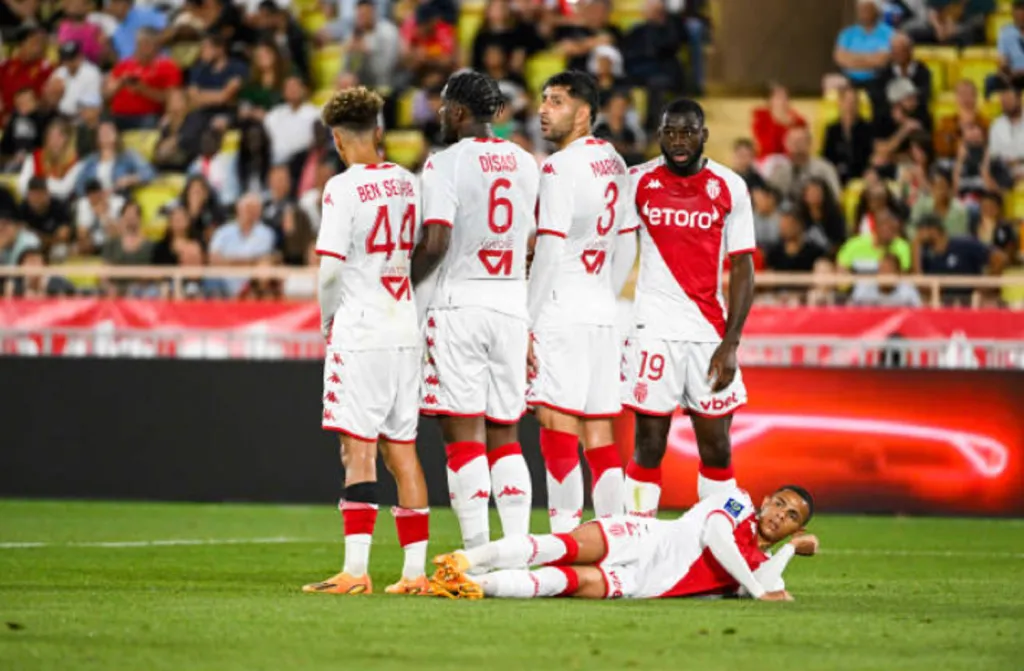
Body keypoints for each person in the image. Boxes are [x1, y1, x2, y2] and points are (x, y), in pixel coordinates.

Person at [301, 87, 431, 597]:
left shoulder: (341, 189)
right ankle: (415, 574)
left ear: (337, 139)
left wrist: (325, 319)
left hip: (361, 331)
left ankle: (356, 571)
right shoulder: (407, 182)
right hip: (405, 328)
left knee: (358, 449)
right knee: (404, 452)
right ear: (378, 132)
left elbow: (331, 270)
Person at [410, 70, 539, 551]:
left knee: (464, 437)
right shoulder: (526, 163)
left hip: (460, 303)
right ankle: (518, 551)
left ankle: (478, 555)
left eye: (444, 105)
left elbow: (436, 241)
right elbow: (529, 241)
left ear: (460, 111)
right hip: (510, 305)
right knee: (507, 435)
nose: (439, 113)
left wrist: (400, 285)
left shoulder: (445, 164)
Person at [620, 99, 756, 516]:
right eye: (670, 133)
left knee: (716, 449)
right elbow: (612, 243)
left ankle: (716, 547)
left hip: (707, 335)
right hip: (653, 332)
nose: (679, 142)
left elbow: (743, 266)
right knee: (649, 446)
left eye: (688, 132)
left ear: (704, 135)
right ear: (659, 134)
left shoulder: (730, 186)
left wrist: (731, 342)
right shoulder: (637, 181)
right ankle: (636, 546)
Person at [527, 71, 634, 532]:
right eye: (543, 100)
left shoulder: (558, 167)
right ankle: (615, 537)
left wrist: (526, 319)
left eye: (556, 101)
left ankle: (565, 540)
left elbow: (549, 248)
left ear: (583, 112)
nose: (543, 110)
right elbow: (627, 244)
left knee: (557, 424)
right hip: (601, 312)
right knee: (599, 432)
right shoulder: (614, 161)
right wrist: (602, 294)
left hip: (561, 309)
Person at [430, 484, 818, 601]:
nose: (778, 515)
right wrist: (757, 588)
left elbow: (773, 592)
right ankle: (464, 559)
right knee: (564, 546)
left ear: (795, 531)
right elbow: (717, 536)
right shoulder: (738, 500)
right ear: (766, 500)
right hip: (644, 540)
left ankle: (473, 586)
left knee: (567, 582)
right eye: (779, 504)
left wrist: (786, 553)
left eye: (791, 517)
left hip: (644, 586)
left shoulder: (756, 565)